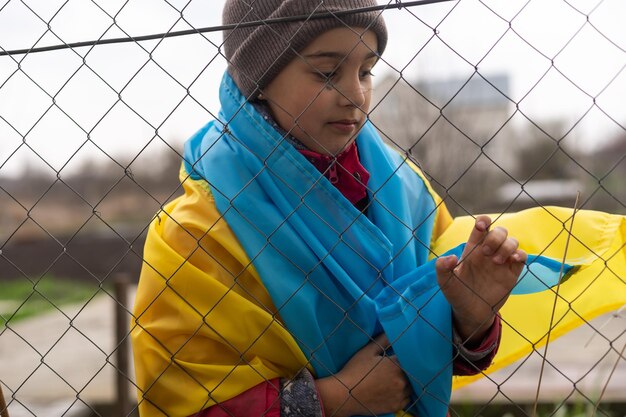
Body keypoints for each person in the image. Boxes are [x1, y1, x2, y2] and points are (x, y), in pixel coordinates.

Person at [131, 1, 626, 417]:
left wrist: (473, 315)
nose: (355, 95)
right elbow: (180, 396)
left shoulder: (403, 190)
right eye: (327, 72)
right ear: (260, 77)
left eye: (366, 71)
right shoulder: (194, 234)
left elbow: (443, 357)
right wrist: (331, 399)